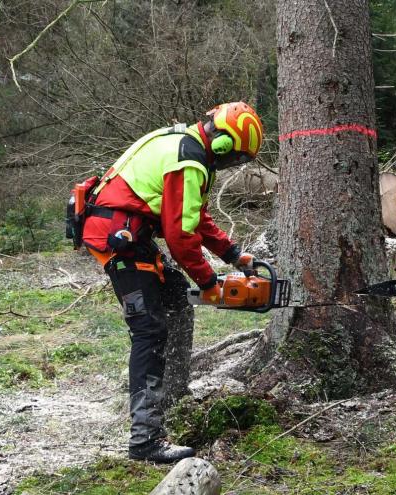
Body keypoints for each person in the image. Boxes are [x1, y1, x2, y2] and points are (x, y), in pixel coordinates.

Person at [81, 102, 262, 463]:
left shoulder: (184, 144)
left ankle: (172, 394)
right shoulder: (189, 159)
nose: (231, 164)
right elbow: (179, 235)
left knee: (176, 297)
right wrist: (208, 281)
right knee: (148, 329)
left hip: (130, 233)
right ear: (225, 144)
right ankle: (145, 439)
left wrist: (233, 254)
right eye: (236, 157)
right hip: (119, 238)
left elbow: (193, 216)